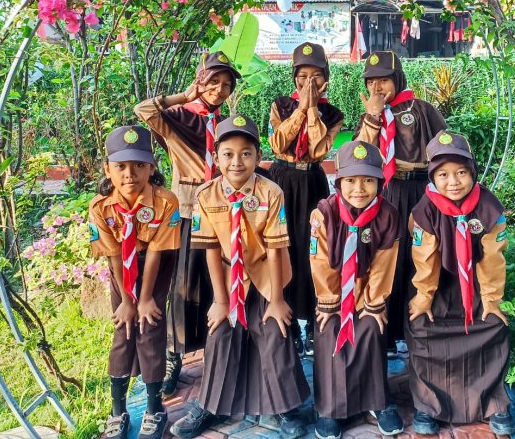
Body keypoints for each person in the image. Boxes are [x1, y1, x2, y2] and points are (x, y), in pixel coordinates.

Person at [170, 115, 309, 439]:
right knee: (220, 333)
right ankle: (209, 404)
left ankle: (285, 407)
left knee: (275, 331)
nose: (237, 162)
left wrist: (276, 301)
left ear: (259, 158)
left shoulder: (271, 192)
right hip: (230, 276)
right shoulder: (206, 196)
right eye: (228, 154)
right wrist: (220, 301)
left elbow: (275, 250)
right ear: (216, 157)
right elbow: (211, 251)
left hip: (266, 275)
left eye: (246, 153)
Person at [134, 51, 241, 396]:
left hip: (222, 214)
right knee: (182, 285)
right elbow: (144, 110)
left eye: (226, 85)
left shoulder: (226, 125)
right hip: (188, 209)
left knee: (216, 283)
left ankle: (217, 350)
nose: (219, 89)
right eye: (213, 82)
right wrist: (186, 96)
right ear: (200, 80)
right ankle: (173, 355)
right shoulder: (179, 117)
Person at [406, 131, 515, 436]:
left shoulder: (489, 207)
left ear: (473, 172)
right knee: (422, 328)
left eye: (461, 173)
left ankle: (493, 403)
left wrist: (492, 299)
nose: (453, 182)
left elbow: (493, 258)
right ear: (432, 176)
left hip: (478, 285)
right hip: (438, 285)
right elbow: (424, 257)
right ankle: (428, 405)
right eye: (443, 175)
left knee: (493, 325)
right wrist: (424, 296)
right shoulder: (425, 210)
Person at [88, 125, 181, 439]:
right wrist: (128, 301)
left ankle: (156, 409)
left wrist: (144, 299)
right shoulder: (100, 207)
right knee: (123, 329)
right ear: (108, 169)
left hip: (156, 264)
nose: (130, 174)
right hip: (121, 272)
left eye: (139, 165)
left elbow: (156, 252)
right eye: (121, 166)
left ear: (152, 167)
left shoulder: (166, 201)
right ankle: (118, 409)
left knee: (150, 328)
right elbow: (114, 254)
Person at [308, 140, 404, 439]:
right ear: (338, 182)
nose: (359, 189)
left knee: (370, 327)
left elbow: (385, 264)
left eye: (368, 180)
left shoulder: (388, 215)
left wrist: (372, 303)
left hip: (368, 291)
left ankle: (377, 401)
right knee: (330, 329)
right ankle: (332, 408)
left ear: (380, 181)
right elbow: (320, 261)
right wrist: (329, 301)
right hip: (333, 292)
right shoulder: (323, 213)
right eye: (350, 180)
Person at [353, 50, 446, 351]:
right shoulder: (371, 116)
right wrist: (372, 117)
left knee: (419, 257)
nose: (377, 88)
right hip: (387, 193)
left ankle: (416, 327)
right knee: (386, 258)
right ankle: (387, 331)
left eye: (384, 80)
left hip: (420, 192)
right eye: (371, 82)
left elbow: (444, 151)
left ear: (397, 78)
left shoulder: (422, 109)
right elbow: (361, 155)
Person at [268, 42, 344, 354]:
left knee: (314, 248)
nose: (308, 82)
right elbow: (277, 143)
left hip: (312, 182)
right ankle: (288, 325)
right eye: (302, 76)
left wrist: (312, 109)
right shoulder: (281, 105)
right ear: (294, 77)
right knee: (284, 246)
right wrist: (301, 108)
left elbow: (317, 150)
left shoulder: (332, 113)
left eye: (315, 75)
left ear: (325, 77)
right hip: (282, 180)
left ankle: (314, 323)